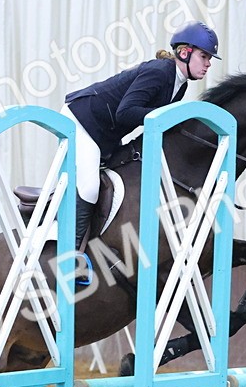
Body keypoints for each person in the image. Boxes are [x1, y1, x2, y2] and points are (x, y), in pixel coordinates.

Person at [62, 21, 221, 259]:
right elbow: (125, 112)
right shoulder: (159, 72)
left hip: (107, 133)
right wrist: (166, 118)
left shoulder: (180, 86)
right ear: (184, 52)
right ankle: (70, 256)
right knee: (90, 187)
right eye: (204, 56)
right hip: (82, 120)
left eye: (209, 58)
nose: (208, 64)